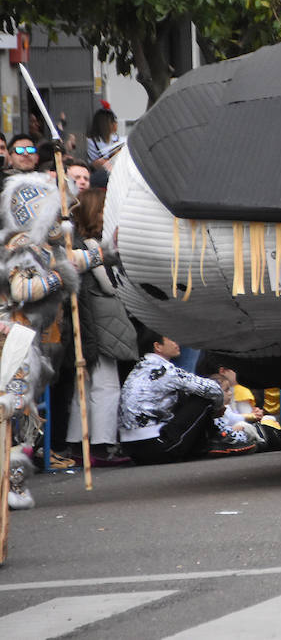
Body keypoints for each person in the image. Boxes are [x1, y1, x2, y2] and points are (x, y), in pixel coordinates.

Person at [1, 173, 107, 509]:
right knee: (14, 407)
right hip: (12, 338)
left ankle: (13, 482)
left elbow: (77, 260)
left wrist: (109, 250)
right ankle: (11, 481)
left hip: (36, 343)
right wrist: (62, 276)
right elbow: (23, 290)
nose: (64, 221)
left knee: (26, 416)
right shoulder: (19, 246)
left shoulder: (48, 248)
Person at [65, 187, 138, 467]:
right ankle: (102, 445)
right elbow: (108, 285)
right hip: (102, 321)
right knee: (106, 385)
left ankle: (77, 443)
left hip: (90, 320)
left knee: (84, 384)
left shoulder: (79, 243)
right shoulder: (92, 246)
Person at [118, 329, 255, 463]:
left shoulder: (138, 369)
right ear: (158, 346)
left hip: (132, 450)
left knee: (188, 394)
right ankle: (220, 440)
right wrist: (219, 406)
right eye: (170, 338)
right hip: (157, 446)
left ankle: (210, 441)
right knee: (204, 397)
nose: (176, 342)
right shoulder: (164, 370)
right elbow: (212, 388)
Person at [86, 107, 123, 176]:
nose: (116, 123)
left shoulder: (116, 139)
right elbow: (95, 163)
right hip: (100, 174)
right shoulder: (92, 142)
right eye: (113, 121)